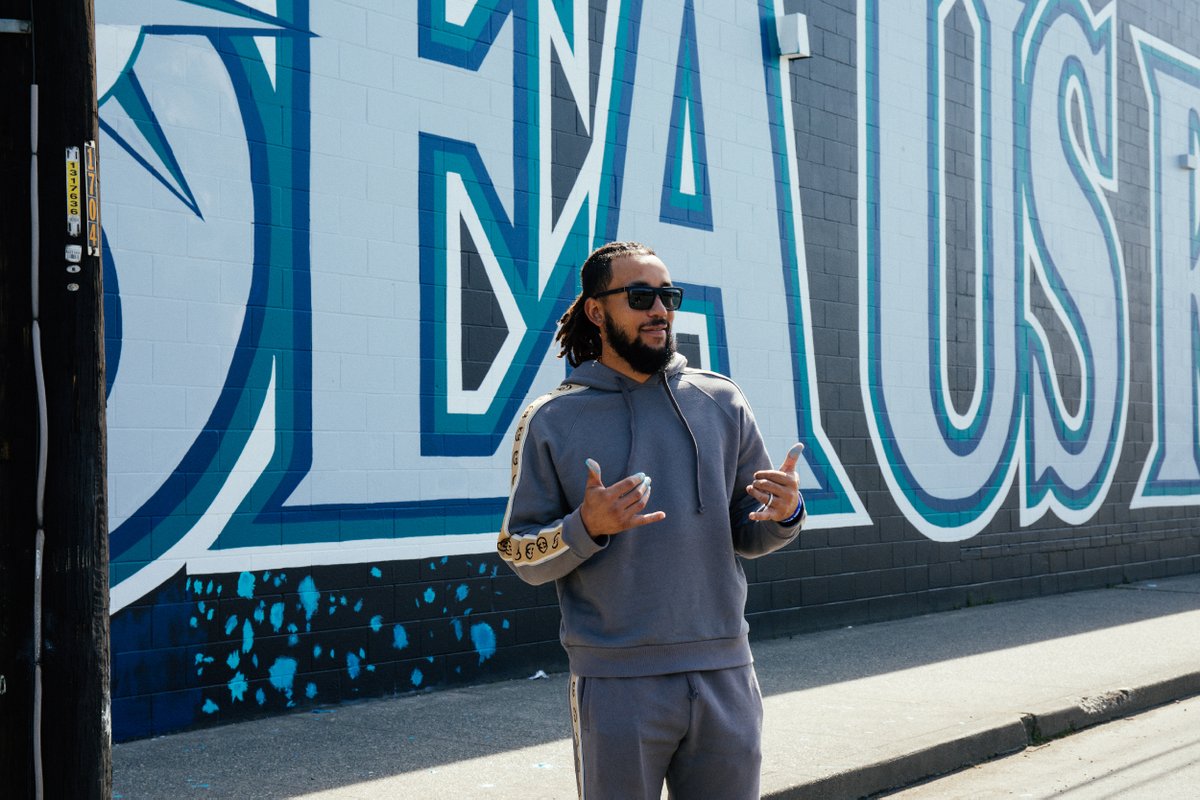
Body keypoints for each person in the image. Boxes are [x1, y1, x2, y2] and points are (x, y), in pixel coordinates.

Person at [498, 241, 806, 799]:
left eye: (669, 296)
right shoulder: (550, 419)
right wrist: (585, 527)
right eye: (641, 297)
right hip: (616, 682)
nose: (660, 310)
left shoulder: (722, 401)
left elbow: (748, 530)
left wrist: (785, 516)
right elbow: (519, 552)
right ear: (597, 311)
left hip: (725, 671)